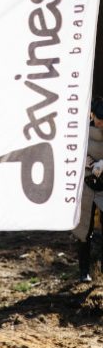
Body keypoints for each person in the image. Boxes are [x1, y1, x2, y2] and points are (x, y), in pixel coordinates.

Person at [72, 96, 103, 282]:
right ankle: (84, 271)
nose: (101, 125)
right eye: (99, 121)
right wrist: (88, 162)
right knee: (84, 229)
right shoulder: (81, 129)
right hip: (86, 182)